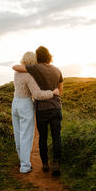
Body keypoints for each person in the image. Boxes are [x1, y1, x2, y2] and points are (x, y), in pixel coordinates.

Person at [12, 46, 63, 176]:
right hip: (42, 105)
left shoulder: (22, 72)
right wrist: (53, 92)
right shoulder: (53, 71)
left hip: (22, 105)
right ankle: (30, 165)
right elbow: (45, 93)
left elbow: (16, 67)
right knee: (49, 136)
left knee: (24, 134)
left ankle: (38, 162)